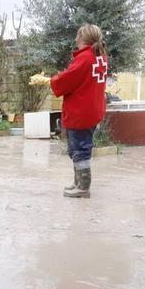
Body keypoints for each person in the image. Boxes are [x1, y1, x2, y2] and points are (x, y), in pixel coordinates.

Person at [48, 24, 108, 198]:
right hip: (92, 110)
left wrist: (53, 79)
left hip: (81, 112)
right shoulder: (100, 56)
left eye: (78, 36)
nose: (76, 39)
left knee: (80, 149)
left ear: (83, 38)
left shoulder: (85, 58)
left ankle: (83, 187)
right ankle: (78, 183)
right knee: (77, 148)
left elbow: (68, 79)